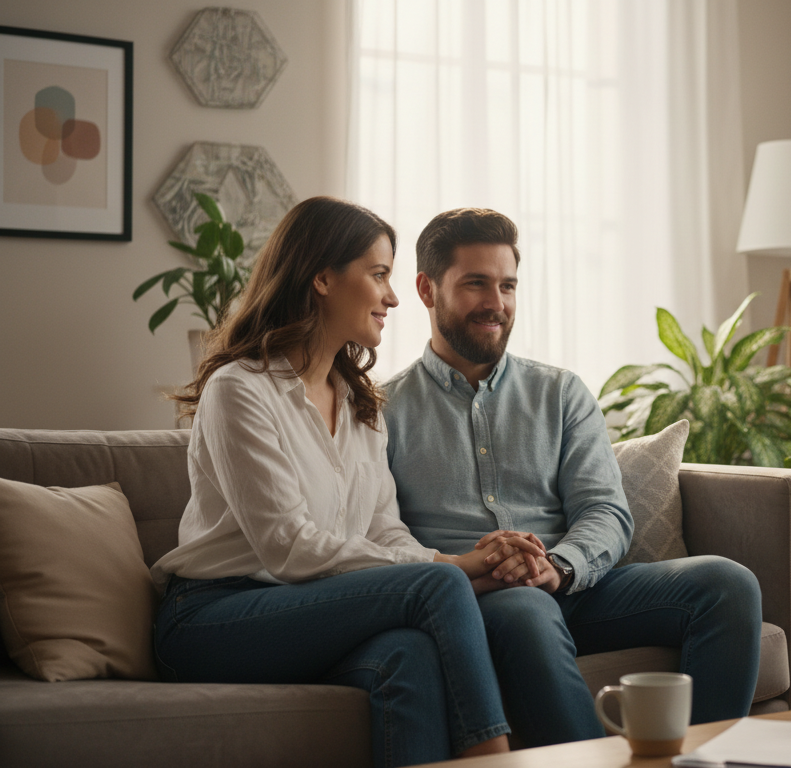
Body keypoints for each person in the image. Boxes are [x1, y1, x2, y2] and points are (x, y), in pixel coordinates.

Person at [150, 197, 545, 766]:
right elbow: (289, 547)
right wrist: (455, 568)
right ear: (322, 279)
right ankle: (495, 760)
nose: (392, 296)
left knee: (409, 654)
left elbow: (386, 532)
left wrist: (470, 563)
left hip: (312, 608)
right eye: (379, 275)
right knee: (440, 584)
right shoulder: (240, 390)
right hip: (211, 619)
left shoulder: (363, 405)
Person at [382, 207, 763, 748]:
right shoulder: (380, 410)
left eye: (508, 285)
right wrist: (487, 570)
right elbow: (382, 534)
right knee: (525, 608)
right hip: (476, 599)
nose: (497, 303)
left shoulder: (560, 393)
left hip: (575, 585)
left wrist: (558, 567)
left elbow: (605, 510)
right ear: (426, 288)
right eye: (476, 284)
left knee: (728, 584)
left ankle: (703, 761)